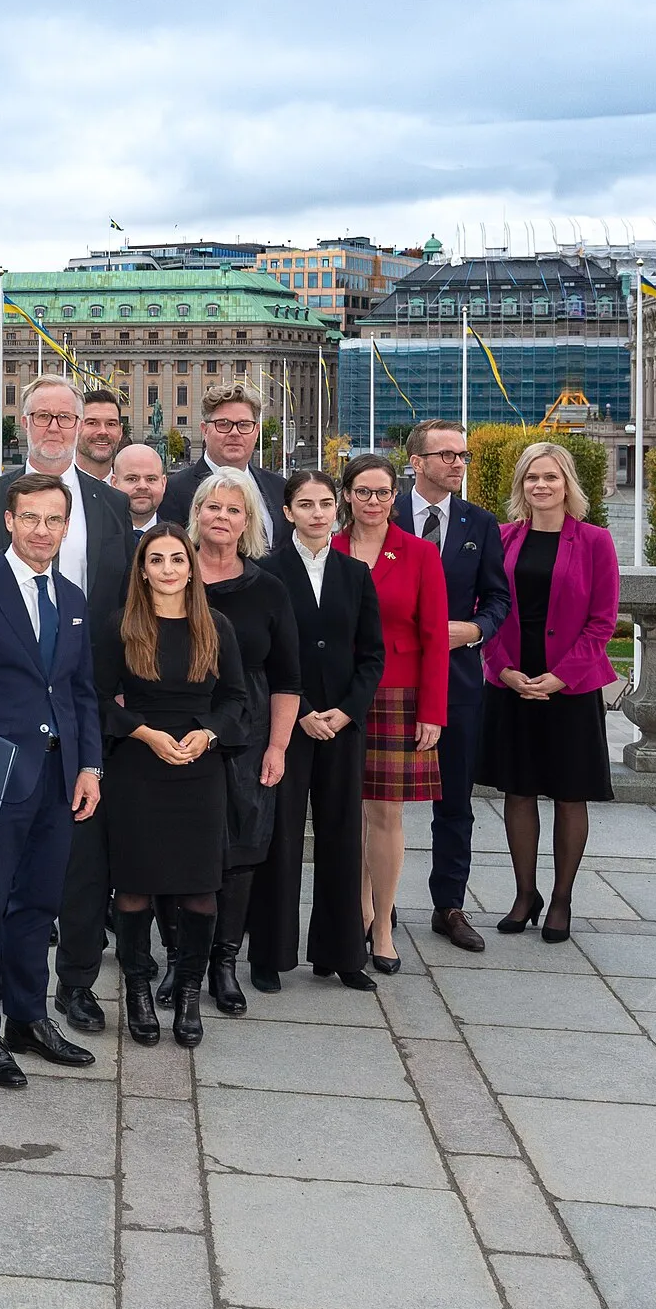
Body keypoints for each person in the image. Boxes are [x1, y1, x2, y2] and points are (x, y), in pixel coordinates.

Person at [0, 375, 131, 1037]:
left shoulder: (110, 505)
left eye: (67, 416)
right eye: (42, 415)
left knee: (73, 874)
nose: (55, 426)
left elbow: (120, 612)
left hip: (82, 721)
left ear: (85, 424)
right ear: (21, 422)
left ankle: (69, 988)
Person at [0, 473, 103, 1087]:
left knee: (37, 905)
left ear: (66, 525)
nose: (42, 531)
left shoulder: (73, 598)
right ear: (9, 520)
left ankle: (27, 1019)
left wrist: (89, 765)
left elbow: (80, 691)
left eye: (53, 520)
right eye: (29, 518)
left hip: (58, 776)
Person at [95, 525, 248, 1047]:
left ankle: (187, 992)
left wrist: (208, 736)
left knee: (202, 892)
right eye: (156, 560)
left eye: (176, 559)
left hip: (199, 771)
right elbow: (94, 699)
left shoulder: (217, 627)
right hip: (138, 768)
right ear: (142, 569)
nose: (167, 569)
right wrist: (144, 733)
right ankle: (138, 991)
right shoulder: (123, 625)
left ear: (191, 566)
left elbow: (236, 701)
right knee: (134, 888)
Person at [477, 443, 619, 944]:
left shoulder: (596, 541)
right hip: (513, 681)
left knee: (568, 792)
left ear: (567, 484)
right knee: (517, 791)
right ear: (521, 486)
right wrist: (503, 668)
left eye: (551, 478)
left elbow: (603, 622)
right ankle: (524, 894)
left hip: (571, 685)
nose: (541, 486)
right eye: (532, 477)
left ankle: (560, 899)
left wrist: (562, 676)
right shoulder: (502, 537)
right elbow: (487, 608)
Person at [256, 470, 385, 992]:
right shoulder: (266, 573)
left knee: (340, 837)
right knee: (280, 839)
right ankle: (270, 954)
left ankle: (341, 953)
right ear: (287, 512)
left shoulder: (355, 574)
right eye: (304, 504)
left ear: (338, 511)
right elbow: (261, 654)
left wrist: (348, 711)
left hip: (342, 725)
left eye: (325, 503)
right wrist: (303, 709)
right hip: (288, 722)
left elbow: (372, 654)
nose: (316, 512)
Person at [393, 420, 512, 955]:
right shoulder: (379, 510)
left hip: (458, 679)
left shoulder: (478, 523)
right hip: (389, 678)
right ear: (416, 460)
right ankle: (379, 901)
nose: (458, 464)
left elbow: (498, 598)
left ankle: (449, 905)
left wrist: (477, 629)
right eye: (446, 455)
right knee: (379, 798)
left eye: (462, 454)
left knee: (455, 800)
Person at [186, 471, 301, 1017]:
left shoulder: (270, 587)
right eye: (214, 507)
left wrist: (278, 746)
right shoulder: (168, 573)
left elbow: (287, 678)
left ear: (249, 522)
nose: (222, 518)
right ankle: (185, 963)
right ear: (197, 514)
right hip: (179, 722)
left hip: (250, 731)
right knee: (182, 844)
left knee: (240, 848)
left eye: (234, 510)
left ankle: (223, 963)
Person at [336, 452, 447, 976]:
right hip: (338, 697)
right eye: (363, 492)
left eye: (382, 493)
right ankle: (352, 914)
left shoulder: (421, 554)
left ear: (394, 497)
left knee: (384, 815)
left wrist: (433, 711)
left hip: (398, 695)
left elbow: (434, 637)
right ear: (348, 496)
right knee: (345, 813)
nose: (373, 502)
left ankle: (381, 924)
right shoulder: (327, 546)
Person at [159, 383, 293, 548]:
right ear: (205, 430)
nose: (235, 433)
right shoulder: (173, 491)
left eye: (244, 425)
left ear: (256, 431)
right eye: (223, 424)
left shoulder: (279, 487)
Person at [113, 442, 167, 543]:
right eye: (132, 479)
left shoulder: (179, 543)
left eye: (151, 479)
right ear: (114, 483)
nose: (142, 486)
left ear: (163, 483)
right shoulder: (93, 540)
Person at [75, 387, 126, 482]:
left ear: (120, 431)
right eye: (92, 423)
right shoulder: (53, 489)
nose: (103, 432)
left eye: (111, 424)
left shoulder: (132, 491)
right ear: (76, 428)